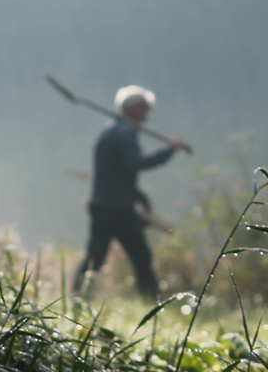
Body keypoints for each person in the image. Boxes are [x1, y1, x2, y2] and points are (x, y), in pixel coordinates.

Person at [73, 85, 190, 299]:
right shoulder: (126, 132)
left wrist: (141, 198)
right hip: (119, 209)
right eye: (144, 110)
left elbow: (116, 175)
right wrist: (168, 151)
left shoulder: (109, 130)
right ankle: (151, 301)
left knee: (95, 257)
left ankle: (77, 297)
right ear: (133, 108)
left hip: (101, 204)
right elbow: (134, 164)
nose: (147, 116)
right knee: (141, 256)